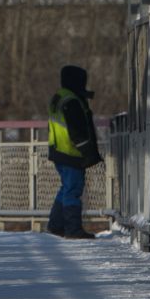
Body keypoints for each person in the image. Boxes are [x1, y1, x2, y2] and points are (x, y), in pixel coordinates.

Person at [46, 64, 102, 239]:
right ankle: (73, 229)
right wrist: (88, 153)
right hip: (72, 153)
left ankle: (56, 225)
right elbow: (78, 131)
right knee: (73, 190)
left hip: (58, 151)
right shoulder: (72, 101)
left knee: (66, 188)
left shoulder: (59, 97)